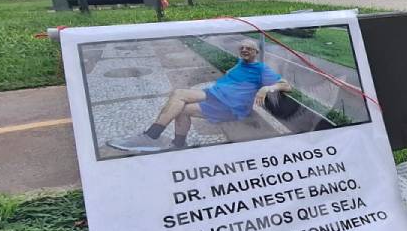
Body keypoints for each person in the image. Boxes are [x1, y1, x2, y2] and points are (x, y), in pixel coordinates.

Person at [109, 39, 292, 153]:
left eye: (249, 49)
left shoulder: (261, 69)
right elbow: (236, 76)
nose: (244, 50)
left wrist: (267, 89)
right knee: (179, 100)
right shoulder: (241, 63)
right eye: (242, 47)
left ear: (257, 53)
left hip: (229, 107)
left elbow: (287, 85)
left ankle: (152, 136)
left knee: (180, 103)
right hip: (215, 95)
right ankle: (176, 143)